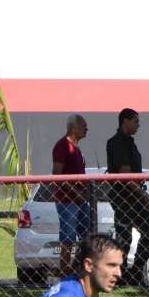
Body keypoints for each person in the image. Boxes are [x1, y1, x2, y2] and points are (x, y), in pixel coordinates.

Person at [106, 108, 149, 284]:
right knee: (124, 239)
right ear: (125, 121)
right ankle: (119, 276)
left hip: (135, 198)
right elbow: (126, 176)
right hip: (125, 198)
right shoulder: (118, 143)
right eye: (135, 121)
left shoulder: (130, 142)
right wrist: (145, 196)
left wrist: (145, 187)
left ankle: (133, 274)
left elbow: (134, 174)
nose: (138, 125)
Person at [52, 114, 90, 279]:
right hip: (67, 201)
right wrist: (76, 193)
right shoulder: (62, 146)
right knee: (68, 237)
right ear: (73, 128)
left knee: (87, 234)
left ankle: (75, 268)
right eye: (83, 126)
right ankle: (65, 273)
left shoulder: (77, 148)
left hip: (80, 200)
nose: (86, 129)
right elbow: (57, 175)